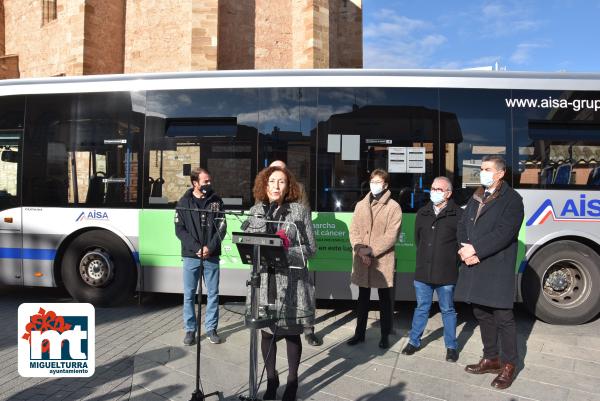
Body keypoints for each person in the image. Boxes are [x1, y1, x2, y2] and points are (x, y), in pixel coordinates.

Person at [243, 166, 317, 401]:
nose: (276, 186)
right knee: (267, 335)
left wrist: (286, 250)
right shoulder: (255, 211)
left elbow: (311, 249)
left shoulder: (299, 212)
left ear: (289, 186)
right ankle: (271, 380)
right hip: (264, 283)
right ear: (264, 185)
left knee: (292, 334)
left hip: (291, 285)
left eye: (281, 182)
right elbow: (247, 240)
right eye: (271, 181)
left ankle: (292, 381)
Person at [455, 155, 524, 389]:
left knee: (503, 316)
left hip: (495, 265)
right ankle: (491, 358)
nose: (482, 172)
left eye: (486, 169)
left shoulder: (513, 200)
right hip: (474, 262)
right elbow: (463, 223)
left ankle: (509, 365)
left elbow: (504, 233)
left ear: (500, 173)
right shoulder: (476, 195)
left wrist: (477, 249)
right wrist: (465, 249)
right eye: (481, 168)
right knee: (481, 311)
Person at [402, 176, 462, 362]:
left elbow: (461, 244)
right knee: (421, 308)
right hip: (423, 272)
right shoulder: (423, 212)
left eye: (439, 189)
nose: (434, 192)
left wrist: (451, 261)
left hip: (446, 273)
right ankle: (414, 341)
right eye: (433, 188)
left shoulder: (458, 215)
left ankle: (451, 346)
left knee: (447, 310)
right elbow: (417, 240)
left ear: (449, 193)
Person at [269, 159, 322, 347]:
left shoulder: (298, 189)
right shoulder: (266, 190)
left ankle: (308, 329)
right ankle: (277, 323)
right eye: (272, 174)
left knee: (303, 293)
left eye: (280, 174)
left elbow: (304, 216)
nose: (276, 181)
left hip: (294, 245)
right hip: (273, 256)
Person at [347, 169, 402, 349]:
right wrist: (360, 250)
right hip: (362, 259)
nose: (374, 184)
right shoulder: (360, 205)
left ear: (385, 185)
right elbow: (353, 230)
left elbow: (391, 236)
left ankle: (385, 335)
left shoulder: (393, 207)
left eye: (378, 182)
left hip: (381, 260)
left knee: (385, 300)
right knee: (362, 299)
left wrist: (370, 252)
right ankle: (359, 333)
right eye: (372, 180)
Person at [175, 167, 226, 346]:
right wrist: (197, 248)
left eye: (209, 181)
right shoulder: (183, 202)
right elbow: (179, 230)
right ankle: (190, 330)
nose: (209, 184)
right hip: (191, 255)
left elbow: (222, 227)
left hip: (211, 255)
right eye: (205, 181)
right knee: (189, 294)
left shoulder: (217, 201)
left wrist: (209, 248)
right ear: (195, 183)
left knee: (213, 294)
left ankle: (211, 329)